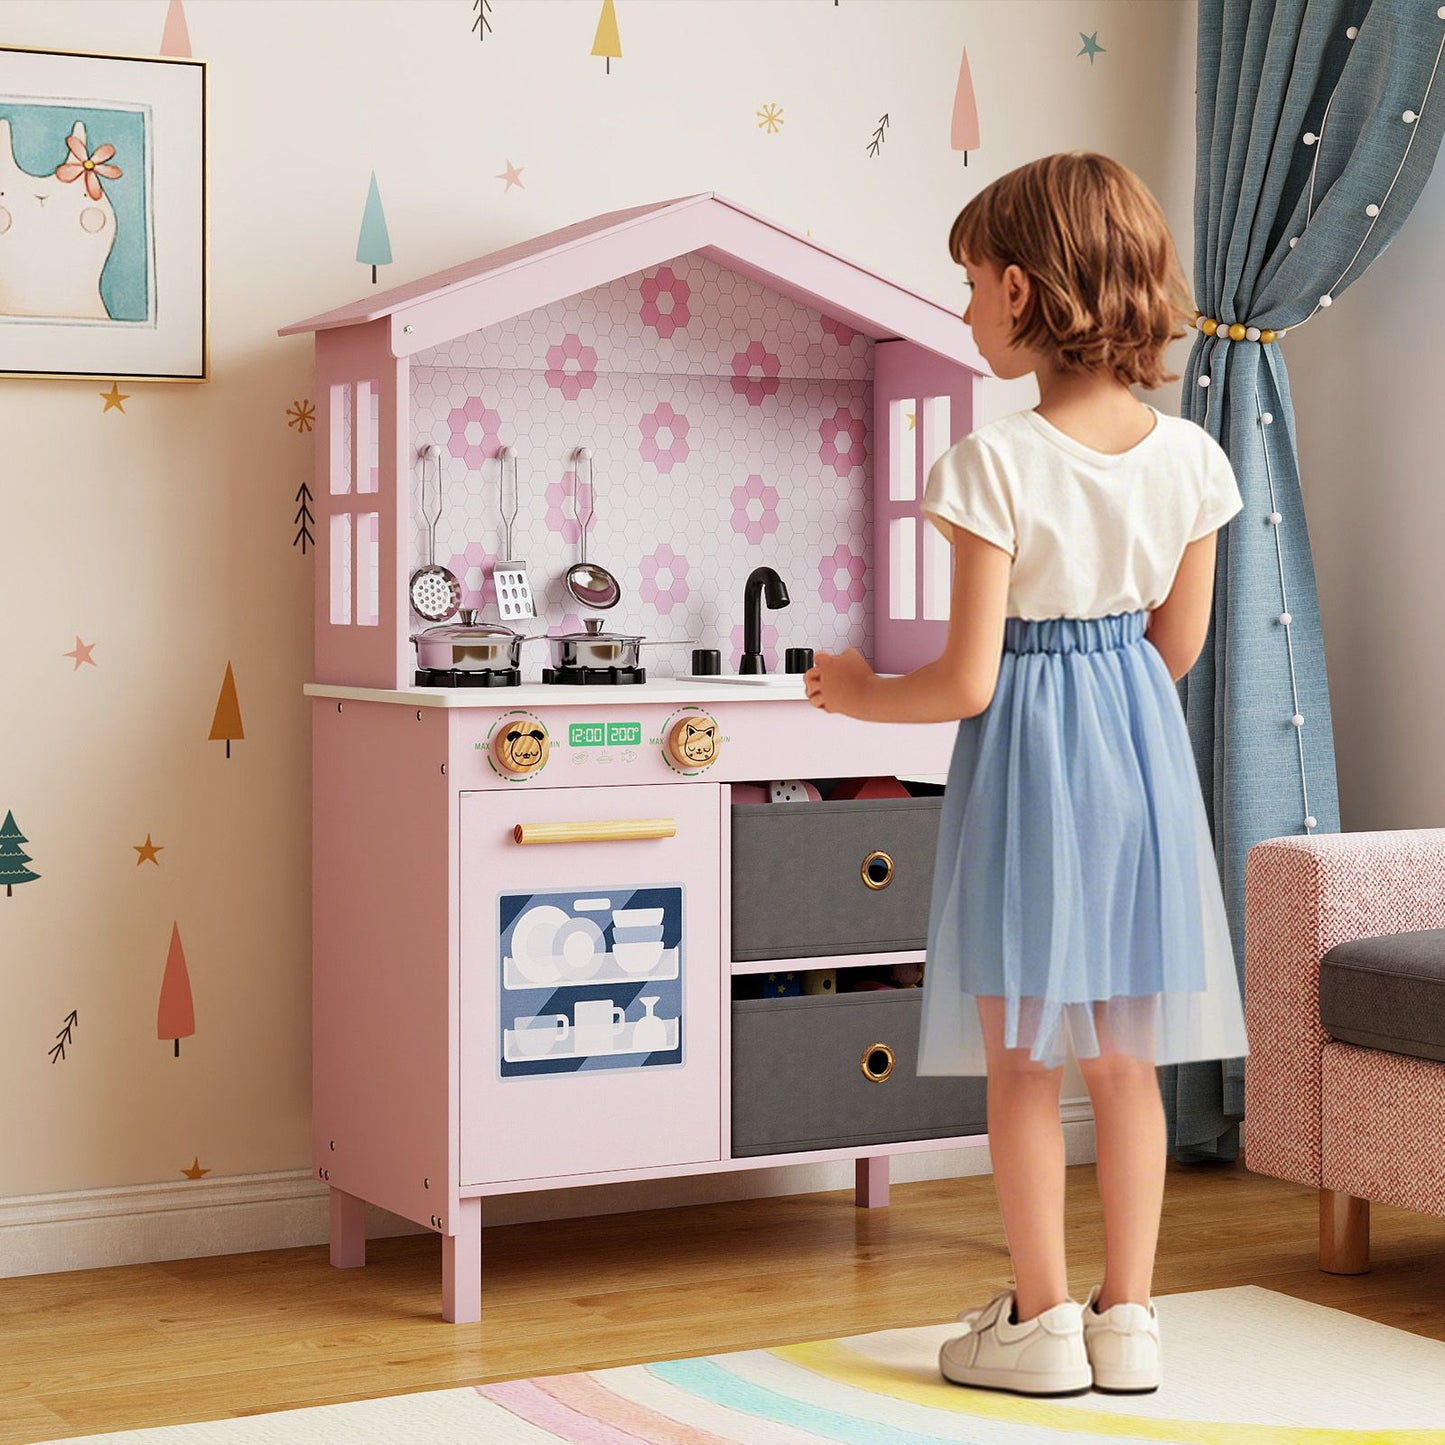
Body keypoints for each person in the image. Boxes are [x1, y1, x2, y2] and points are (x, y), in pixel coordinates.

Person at [804, 152, 1249, 1399]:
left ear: (1016, 287)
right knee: (1125, 1061)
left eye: (963, 285)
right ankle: (1130, 1318)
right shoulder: (1193, 461)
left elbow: (964, 682)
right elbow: (1175, 647)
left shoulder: (990, 464)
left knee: (1023, 1064)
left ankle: (1042, 1322)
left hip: (1027, 774)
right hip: (1138, 765)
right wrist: (1110, 706)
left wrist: (850, 691)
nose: (958, 310)